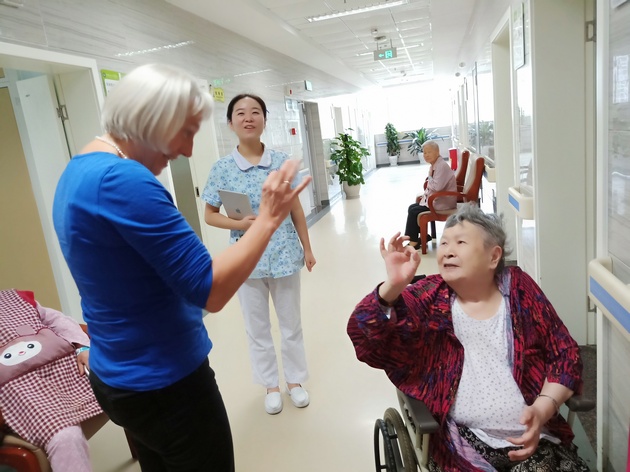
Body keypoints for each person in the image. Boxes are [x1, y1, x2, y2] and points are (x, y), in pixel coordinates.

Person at [52, 64, 310, 471]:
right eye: (186, 132)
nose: (188, 150)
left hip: (119, 371)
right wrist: (267, 219)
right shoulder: (124, 181)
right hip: (164, 384)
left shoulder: (78, 169)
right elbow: (210, 290)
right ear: (152, 120)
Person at [348, 204, 589, 472]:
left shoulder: (520, 290)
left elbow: (564, 353)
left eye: (461, 242)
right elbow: (365, 338)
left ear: (493, 256)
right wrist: (392, 287)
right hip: (462, 445)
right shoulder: (428, 297)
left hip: (535, 440)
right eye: (444, 243)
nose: (448, 251)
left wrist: (542, 409)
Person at [202, 93, 316, 415]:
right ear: (230, 123)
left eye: (255, 112)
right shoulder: (222, 168)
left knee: (291, 323)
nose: (248, 118)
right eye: (240, 113)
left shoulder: (280, 162)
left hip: (283, 254)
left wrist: (307, 248)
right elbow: (210, 215)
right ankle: (270, 385)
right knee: (257, 327)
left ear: (265, 119)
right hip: (245, 259)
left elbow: (295, 208)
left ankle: (294, 381)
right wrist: (239, 223)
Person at [0, 289, 106, 472]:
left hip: (68, 374)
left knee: (128, 390)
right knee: (65, 437)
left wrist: (83, 347)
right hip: (21, 394)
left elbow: (59, 321)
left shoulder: (13, 298)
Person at [404, 140, 456, 249]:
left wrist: (430, 180)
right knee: (412, 207)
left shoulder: (441, 166)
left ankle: (414, 242)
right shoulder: (435, 165)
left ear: (437, 152)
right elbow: (432, 184)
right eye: (424, 153)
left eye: (429, 152)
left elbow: (437, 187)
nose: (426, 155)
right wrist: (430, 181)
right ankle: (422, 237)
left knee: (414, 211)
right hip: (436, 199)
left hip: (443, 202)